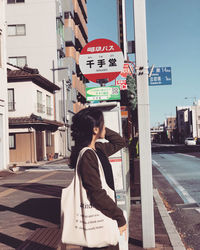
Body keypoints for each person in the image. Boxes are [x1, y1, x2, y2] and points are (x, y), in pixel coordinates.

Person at [70, 107, 127, 250]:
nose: (105, 126)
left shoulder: (99, 149)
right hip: (98, 215)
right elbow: (96, 193)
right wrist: (119, 217)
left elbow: (120, 142)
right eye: (103, 123)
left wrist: (100, 129)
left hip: (104, 212)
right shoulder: (87, 155)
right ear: (94, 129)